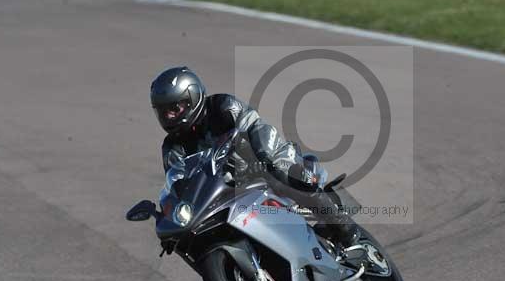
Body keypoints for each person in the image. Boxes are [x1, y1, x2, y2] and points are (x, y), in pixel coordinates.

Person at [150, 66, 360, 247]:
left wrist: (262, 158)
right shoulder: (172, 148)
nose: (168, 116)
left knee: (279, 170)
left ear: (192, 99)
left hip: (257, 165)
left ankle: (345, 229)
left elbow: (253, 125)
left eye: (174, 108)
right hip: (223, 192)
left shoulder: (222, 106)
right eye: (162, 111)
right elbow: (178, 185)